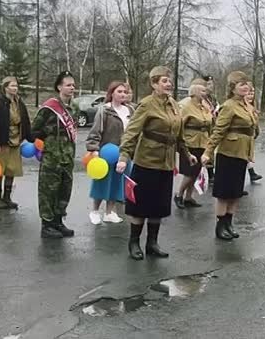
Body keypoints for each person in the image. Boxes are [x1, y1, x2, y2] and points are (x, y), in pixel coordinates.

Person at [116, 66, 197, 260]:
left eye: (170, 81)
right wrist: (123, 157)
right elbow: (132, 132)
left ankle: (152, 243)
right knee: (140, 205)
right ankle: (134, 242)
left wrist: (187, 154)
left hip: (166, 163)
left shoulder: (175, 105)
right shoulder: (146, 104)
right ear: (154, 84)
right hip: (147, 161)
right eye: (164, 81)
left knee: (159, 206)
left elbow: (179, 135)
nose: (169, 84)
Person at [201, 71, 258, 240]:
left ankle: (229, 223)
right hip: (229, 153)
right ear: (233, 88)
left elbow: (252, 128)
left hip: (242, 153)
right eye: (241, 84)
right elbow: (218, 131)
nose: (245, 87)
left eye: (247, 84)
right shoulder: (228, 105)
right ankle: (220, 226)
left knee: (236, 192)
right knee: (224, 193)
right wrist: (208, 152)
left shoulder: (247, 105)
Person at [32, 71, 78, 238]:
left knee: (64, 191)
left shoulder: (74, 107)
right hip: (52, 157)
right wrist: (49, 139)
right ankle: (47, 225)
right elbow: (34, 130)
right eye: (68, 85)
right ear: (59, 87)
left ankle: (58, 221)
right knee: (48, 192)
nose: (72, 87)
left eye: (73, 85)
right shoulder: (50, 107)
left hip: (68, 157)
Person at [85, 81, 135, 225]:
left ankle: (109, 212)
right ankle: (95, 211)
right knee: (102, 182)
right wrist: (94, 149)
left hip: (124, 154)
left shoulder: (130, 111)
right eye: (119, 91)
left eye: (125, 92)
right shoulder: (104, 110)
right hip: (106, 153)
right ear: (112, 93)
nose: (123, 94)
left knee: (118, 182)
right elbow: (95, 132)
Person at [0, 76, 32, 210]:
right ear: (5, 87)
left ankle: (7, 198)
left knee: (11, 170)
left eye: (16, 86)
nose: (15, 88)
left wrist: (31, 137)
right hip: (2, 142)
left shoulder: (19, 103)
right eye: (12, 86)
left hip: (15, 141)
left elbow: (26, 121)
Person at [174, 78, 212, 209]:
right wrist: (179, 143)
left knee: (197, 172)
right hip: (190, 142)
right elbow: (179, 125)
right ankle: (179, 194)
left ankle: (189, 197)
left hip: (203, 142)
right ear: (194, 92)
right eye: (202, 90)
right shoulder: (185, 106)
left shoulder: (205, 106)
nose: (205, 92)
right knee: (190, 172)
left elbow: (210, 122)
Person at [244, 82, 263, 183]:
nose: (251, 96)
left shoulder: (253, 106)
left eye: (252, 93)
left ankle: (252, 174)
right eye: (249, 93)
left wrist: (257, 130)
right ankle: (251, 174)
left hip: (250, 136)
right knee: (244, 157)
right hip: (242, 137)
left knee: (248, 156)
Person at [202, 75, 218, 186]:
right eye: (208, 84)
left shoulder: (212, 98)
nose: (210, 86)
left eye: (211, 84)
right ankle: (209, 175)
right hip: (203, 127)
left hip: (212, 126)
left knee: (211, 151)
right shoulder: (201, 98)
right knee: (205, 151)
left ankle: (211, 175)